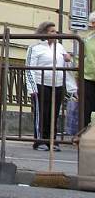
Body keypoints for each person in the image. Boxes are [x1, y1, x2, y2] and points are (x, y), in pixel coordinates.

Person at [25, 22, 71, 151]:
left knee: (54, 114)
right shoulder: (35, 48)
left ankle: (52, 141)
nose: (55, 34)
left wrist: (68, 59)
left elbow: (66, 67)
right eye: (52, 31)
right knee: (42, 114)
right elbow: (29, 69)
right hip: (41, 84)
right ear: (44, 33)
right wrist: (32, 88)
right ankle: (40, 141)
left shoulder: (60, 47)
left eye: (55, 31)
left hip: (57, 85)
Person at [84, 12, 95, 129]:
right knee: (87, 108)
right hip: (88, 78)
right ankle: (84, 134)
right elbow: (80, 58)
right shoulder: (87, 39)